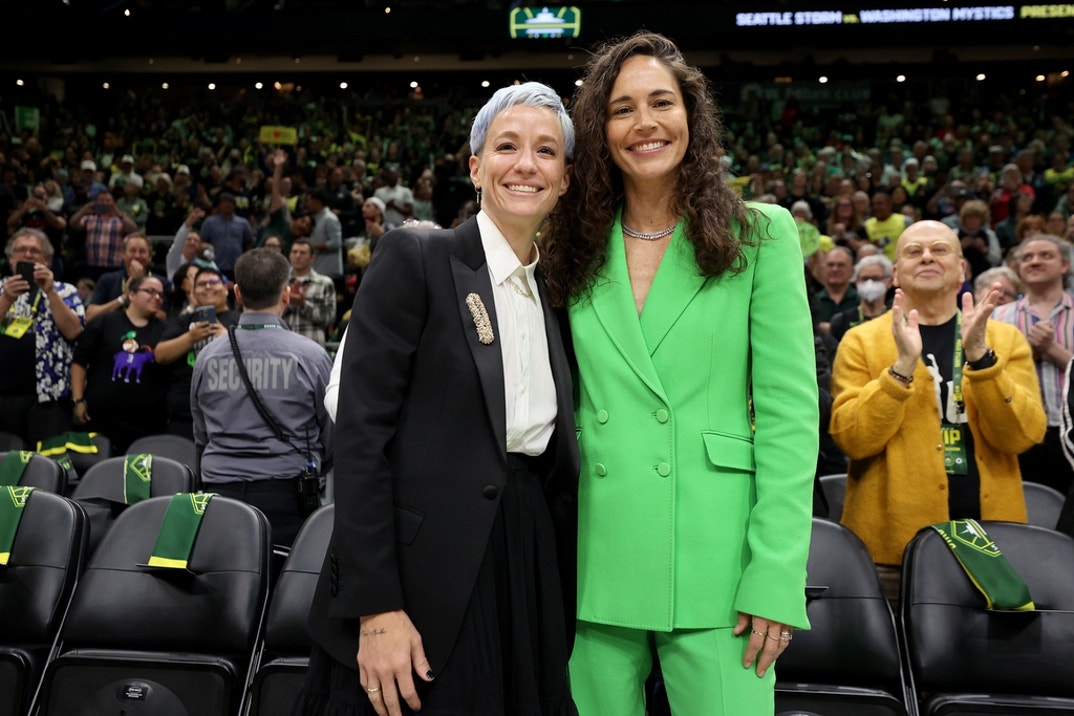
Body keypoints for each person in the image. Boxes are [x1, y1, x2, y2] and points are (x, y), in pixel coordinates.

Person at [542, 32, 816, 715]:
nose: (645, 123)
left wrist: (776, 576)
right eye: (622, 108)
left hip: (720, 568)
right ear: (599, 130)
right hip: (591, 562)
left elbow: (789, 420)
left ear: (692, 115)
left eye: (661, 102)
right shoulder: (566, 245)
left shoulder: (762, 234)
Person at [298, 81, 579, 716]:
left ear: (565, 178)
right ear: (476, 167)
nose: (526, 164)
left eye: (546, 151)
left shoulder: (559, 295)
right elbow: (361, 438)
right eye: (507, 146)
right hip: (420, 575)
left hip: (526, 553)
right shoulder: (418, 256)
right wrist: (376, 608)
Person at [830, 220, 1046, 607]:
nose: (927, 255)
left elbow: (1022, 437)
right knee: (893, 664)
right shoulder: (861, 340)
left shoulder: (1003, 340)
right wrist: (900, 368)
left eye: (940, 249)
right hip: (890, 553)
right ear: (897, 272)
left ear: (962, 269)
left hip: (991, 546)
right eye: (913, 250)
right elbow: (853, 440)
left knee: (987, 664)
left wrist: (981, 360)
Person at [190, 250, 330, 546]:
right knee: (285, 585)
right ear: (287, 294)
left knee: (228, 583)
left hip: (219, 493)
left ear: (237, 293)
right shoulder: (311, 356)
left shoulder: (206, 356)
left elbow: (201, 433)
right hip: (288, 495)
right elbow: (329, 433)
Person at [992, 234, 1074, 502]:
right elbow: (987, 376)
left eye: (1045, 255)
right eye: (1027, 257)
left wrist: (1051, 349)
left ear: (1064, 265)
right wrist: (1025, 351)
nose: (1035, 261)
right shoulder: (998, 317)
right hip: (1019, 433)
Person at [0, 229, 85, 446]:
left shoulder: (65, 291)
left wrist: (50, 292)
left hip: (48, 398)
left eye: (34, 251)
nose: (27, 255)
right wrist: (6, 299)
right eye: (21, 250)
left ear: (46, 260)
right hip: (3, 394)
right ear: (11, 258)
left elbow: (74, 331)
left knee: (45, 465)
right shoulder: (1, 289)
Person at [70, 274, 170, 453]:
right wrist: (78, 400)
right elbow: (79, 361)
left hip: (148, 423)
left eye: (161, 295)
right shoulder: (104, 322)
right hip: (101, 419)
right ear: (131, 295)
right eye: (150, 292)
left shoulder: (166, 330)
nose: (157, 298)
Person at [156, 266, 238, 439]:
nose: (208, 287)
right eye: (201, 284)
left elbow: (255, 357)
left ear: (225, 289)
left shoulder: (241, 320)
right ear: (193, 292)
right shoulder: (182, 322)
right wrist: (191, 338)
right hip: (185, 414)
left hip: (229, 414)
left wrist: (226, 339)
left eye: (214, 282)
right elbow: (160, 355)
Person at [282, 237, 336, 347]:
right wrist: (287, 302)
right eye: (294, 252)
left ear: (312, 258)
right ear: (289, 255)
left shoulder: (324, 283)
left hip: (312, 345)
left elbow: (329, 318)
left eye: (302, 253)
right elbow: (271, 316)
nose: (298, 256)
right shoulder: (280, 282)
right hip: (283, 345)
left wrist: (303, 304)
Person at [829, 254, 894, 343]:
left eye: (876, 278)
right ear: (857, 282)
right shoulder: (840, 321)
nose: (869, 283)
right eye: (865, 278)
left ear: (889, 282)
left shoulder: (896, 319)